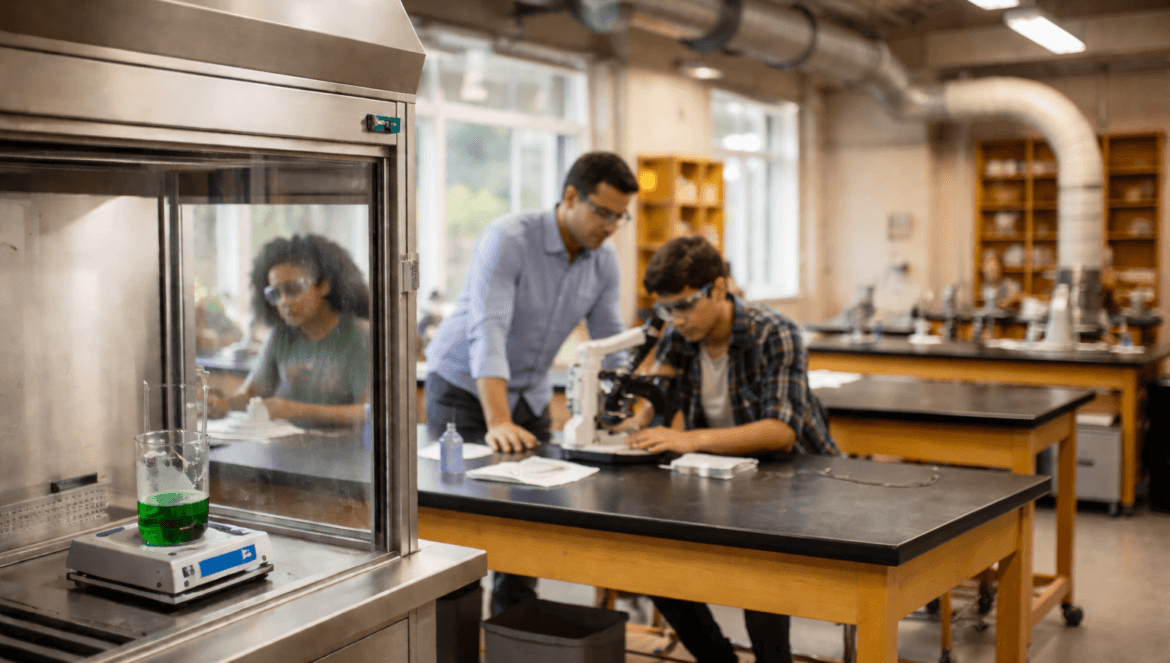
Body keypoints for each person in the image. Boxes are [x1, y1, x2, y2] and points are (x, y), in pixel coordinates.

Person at [423, 151, 639, 615]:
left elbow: (609, 340)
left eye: (620, 218)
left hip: (530, 390)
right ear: (569, 197)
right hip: (464, 387)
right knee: (458, 522)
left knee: (530, 517)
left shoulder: (603, 262)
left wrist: (626, 411)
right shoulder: (509, 238)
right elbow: (489, 328)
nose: (610, 227)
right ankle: (450, 634)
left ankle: (513, 630)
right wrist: (497, 419)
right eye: (602, 213)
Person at [622, 236, 838, 663]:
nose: (677, 319)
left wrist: (688, 439)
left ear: (719, 289)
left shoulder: (773, 331)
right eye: (666, 309)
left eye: (684, 305)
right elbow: (653, 399)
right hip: (726, 479)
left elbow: (781, 432)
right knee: (654, 561)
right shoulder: (681, 335)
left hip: (798, 479)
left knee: (757, 571)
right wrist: (630, 419)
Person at [209, 234, 371, 428]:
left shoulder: (358, 337)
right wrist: (223, 404)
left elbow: (368, 411)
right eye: (276, 293)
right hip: (288, 450)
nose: (284, 302)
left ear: (324, 285)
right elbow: (252, 393)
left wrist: (295, 410)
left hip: (344, 453)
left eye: (293, 289)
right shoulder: (280, 334)